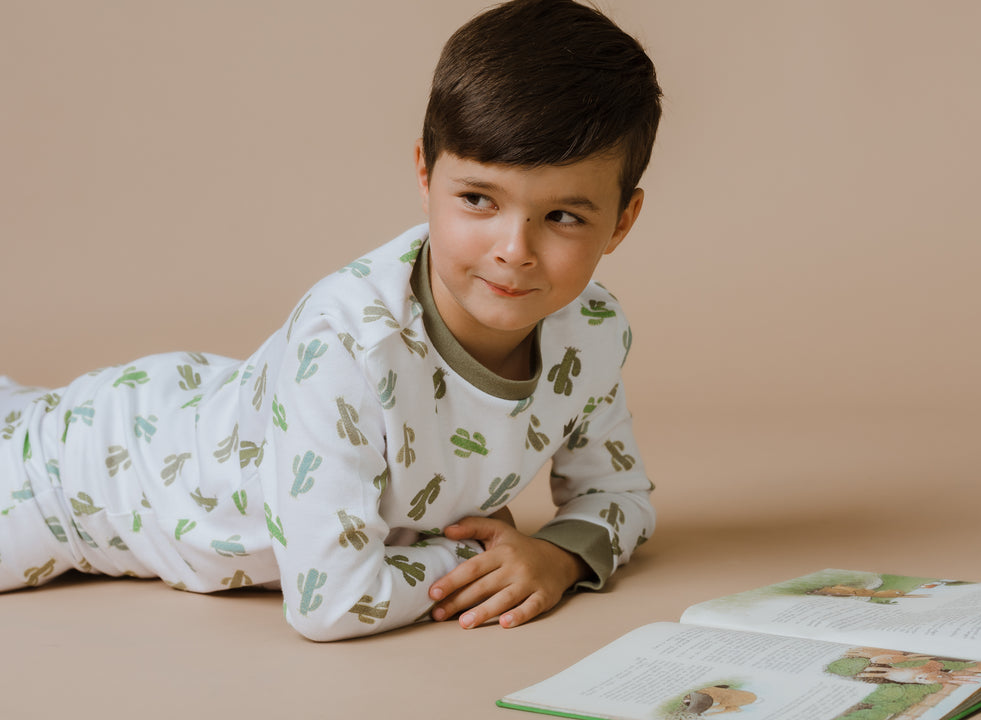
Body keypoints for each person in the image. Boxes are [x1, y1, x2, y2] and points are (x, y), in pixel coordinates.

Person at [0, 0, 661, 642]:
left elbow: (621, 497)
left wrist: (559, 558)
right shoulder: (352, 344)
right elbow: (334, 600)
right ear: (426, 176)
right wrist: (476, 561)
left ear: (622, 222)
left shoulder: (591, 332)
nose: (514, 250)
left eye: (563, 217)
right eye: (477, 199)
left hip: (206, 410)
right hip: (81, 480)